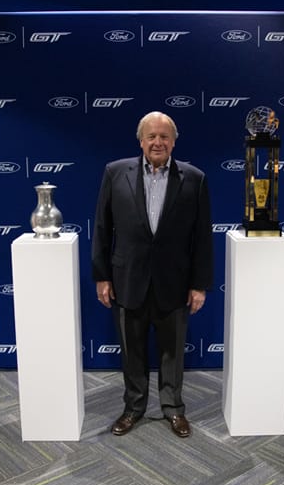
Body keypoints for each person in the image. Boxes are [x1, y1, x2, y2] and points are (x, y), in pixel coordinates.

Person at [91, 111, 213, 438]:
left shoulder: (195, 178)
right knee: (132, 351)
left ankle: (173, 409)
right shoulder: (115, 173)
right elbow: (102, 228)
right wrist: (102, 276)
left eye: (164, 136)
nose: (158, 142)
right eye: (151, 136)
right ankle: (133, 408)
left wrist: (199, 285)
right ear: (140, 140)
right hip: (127, 280)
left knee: (172, 352)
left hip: (174, 282)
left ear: (174, 141)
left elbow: (202, 237)